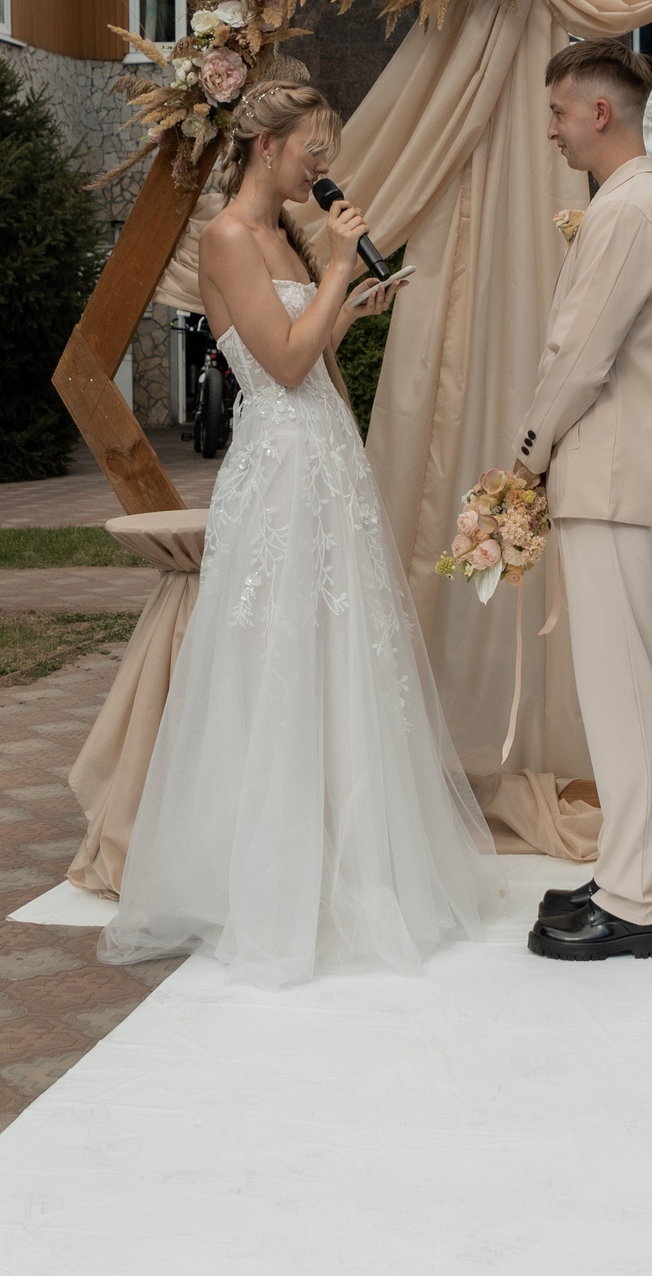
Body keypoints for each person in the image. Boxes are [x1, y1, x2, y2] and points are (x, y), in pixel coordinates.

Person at [100, 83, 497, 986]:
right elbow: (275, 365)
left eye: (327, 149)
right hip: (278, 466)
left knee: (339, 649)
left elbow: (306, 346)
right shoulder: (231, 237)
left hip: (326, 455)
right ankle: (270, 883)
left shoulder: (281, 234)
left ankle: (346, 858)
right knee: (278, 653)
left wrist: (349, 301)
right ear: (266, 145)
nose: (323, 165)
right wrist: (335, 269)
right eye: (312, 148)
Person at [515, 40, 652, 962]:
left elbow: (579, 356)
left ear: (600, 113)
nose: (549, 127)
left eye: (557, 111)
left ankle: (634, 904)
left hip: (614, 480)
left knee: (624, 691)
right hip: (624, 478)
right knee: (636, 687)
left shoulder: (625, 211)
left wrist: (526, 454)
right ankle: (636, 862)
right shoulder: (635, 204)